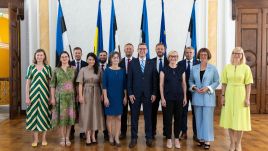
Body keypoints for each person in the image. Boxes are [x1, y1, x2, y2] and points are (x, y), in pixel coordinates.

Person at [219, 47, 253, 151]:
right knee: (230, 119)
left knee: (240, 120)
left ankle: (238, 143)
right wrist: (223, 96)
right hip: (229, 94)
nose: (237, 55)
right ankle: (232, 143)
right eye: (235, 53)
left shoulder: (246, 68)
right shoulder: (227, 67)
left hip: (241, 94)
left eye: (239, 53)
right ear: (232, 54)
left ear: (242, 55)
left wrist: (247, 98)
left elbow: (248, 84)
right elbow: (224, 83)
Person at [128, 43, 158, 148]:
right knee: (134, 117)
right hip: (135, 95)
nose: (142, 50)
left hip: (148, 94)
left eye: (144, 49)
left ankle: (149, 137)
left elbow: (155, 79)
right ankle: (133, 138)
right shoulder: (132, 63)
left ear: (147, 51)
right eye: (140, 49)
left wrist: (154, 93)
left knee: (148, 117)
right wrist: (130, 93)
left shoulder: (152, 63)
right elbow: (129, 80)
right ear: (137, 50)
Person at [189, 48, 219, 149]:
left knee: (207, 120)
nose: (203, 56)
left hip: (208, 98)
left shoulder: (213, 68)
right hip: (197, 97)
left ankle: (207, 140)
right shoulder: (194, 68)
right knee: (199, 119)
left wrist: (208, 88)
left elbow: (217, 81)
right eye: (201, 55)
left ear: (208, 56)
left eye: (205, 55)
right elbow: (190, 81)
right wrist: (194, 87)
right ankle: (201, 139)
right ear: (198, 56)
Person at [160, 51, 187, 149]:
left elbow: (184, 84)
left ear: (178, 57)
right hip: (168, 99)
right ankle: (168, 139)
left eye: (175, 56)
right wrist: (162, 98)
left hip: (179, 98)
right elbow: (161, 85)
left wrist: (185, 97)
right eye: (171, 56)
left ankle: (176, 138)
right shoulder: (164, 70)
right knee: (168, 119)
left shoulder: (181, 69)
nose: (173, 58)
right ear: (168, 58)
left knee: (178, 119)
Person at [76, 52, 105, 145]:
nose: (91, 61)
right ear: (87, 60)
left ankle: (93, 135)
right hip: (86, 93)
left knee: (95, 114)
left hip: (96, 93)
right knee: (87, 114)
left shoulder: (99, 70)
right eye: (89, 59)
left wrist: (103, 95)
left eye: (92, 59)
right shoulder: (83, 70)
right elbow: (80, 84)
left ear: (95, 60)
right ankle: (87, 135)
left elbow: (101, 83)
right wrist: (80, 96)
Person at [25, 49, 52, 147]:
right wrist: (27, 97)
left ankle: (44, 138)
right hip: (33, 95)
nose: (39, 57)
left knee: (44, 116)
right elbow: (28, 84)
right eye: (38, 55)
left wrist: (51, 97)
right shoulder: (31, 67)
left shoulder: (48, 68)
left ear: (44, 56)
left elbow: (50, 84)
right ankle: (35, 139)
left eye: (41, 55)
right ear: (35, 56)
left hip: (45, 96)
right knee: (33, 117)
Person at [50, 51, 76, 147]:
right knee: (61, 118)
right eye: (62, 57)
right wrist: (52, 97)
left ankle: (67, 137)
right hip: (59, 97)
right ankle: (62, 137)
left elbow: (77, 83)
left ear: (69, 58)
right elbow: (52, 85)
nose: (64, 58)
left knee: (69, 118)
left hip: (71, 98)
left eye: (66, 57)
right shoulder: (56, 70)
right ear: (60, 59)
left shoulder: (73, 69)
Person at [102, 52, 127, 147]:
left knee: (118, 117)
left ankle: (116, 137)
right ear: (111, 59)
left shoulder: (122, 71)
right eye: (114, 57)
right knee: (110, 117)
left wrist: (125, 96)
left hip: (119, 97)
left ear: (119, 59)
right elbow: (104, 86)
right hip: (110, 97)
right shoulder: (107, 71)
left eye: (117, 57)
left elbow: (125, 85)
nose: (115, 59)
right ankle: (110, 135)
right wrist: (105, 98)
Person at [178, 47, 200, 141]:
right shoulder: (180, 63)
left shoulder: (198, 63)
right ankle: (184, 132)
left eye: (190, 52)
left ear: (194, 53)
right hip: (183, 91)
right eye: (187, 52)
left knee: (196, 113)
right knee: (183, 113)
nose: (189, 54)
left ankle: (196, 134)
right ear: (185, 53)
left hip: (195, 91)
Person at [151, 42, 169, 139]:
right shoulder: (150, 61)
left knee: (166, 113)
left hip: (166, 93)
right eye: (158, 49)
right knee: (152, 113)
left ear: (165, 50)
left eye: (161, 49)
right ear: (155, 50)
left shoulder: (169, 61)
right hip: (153, 92)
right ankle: (152, 132)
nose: (160, 50)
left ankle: (166, 132)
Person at [70, 47, 88, 140]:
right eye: (76, 53)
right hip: (71, 91)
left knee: (82, 113)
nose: (77, 54)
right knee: (72, 112)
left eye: (79, 53)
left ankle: (82, 132)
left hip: (84, 91)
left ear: (81, 54)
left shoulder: (86, 64)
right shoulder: (69, 64)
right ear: (73, 54)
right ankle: (71, 131)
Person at [118, 43, 135, 139]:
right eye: (127, 48)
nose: (128, 50)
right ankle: (123, 132)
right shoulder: (119, 62)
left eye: (130, 49)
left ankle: (133, 133)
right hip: (122, 91)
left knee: (134, 112)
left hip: (133, 91)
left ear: (133, 50)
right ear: (124, 50)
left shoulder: (137, 62)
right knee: (123, 113)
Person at [97, 50, 109, 141]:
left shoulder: (110, 67)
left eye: (104, 55)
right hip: (96, 94)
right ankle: (96, 132)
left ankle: (106, 133)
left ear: (107, 56)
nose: (102, 57)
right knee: (97, 113)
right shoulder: (95, 67)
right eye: (100, 55)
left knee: (106, 114)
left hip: (109, 94)